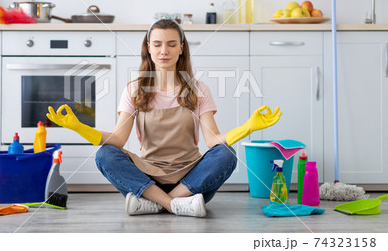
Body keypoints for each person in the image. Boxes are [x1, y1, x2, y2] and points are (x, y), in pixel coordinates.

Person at [46, 17, 282, 218]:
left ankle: (154, 203)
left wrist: (249, 127)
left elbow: (212, 141)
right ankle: (174, 205)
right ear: (148, 47)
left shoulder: (198, 89)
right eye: (157, 44)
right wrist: (78, 126)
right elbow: (118, 139)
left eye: (171, 44)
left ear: (181, 48)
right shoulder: (134, 90)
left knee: (226, 153)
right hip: (147, 174)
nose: (164, 51)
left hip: (191, 178)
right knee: (105, 154)